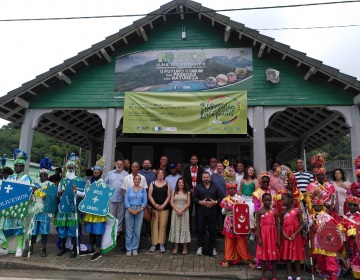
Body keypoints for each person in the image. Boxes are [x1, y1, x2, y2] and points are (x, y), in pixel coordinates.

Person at [0, 149, 33, 257]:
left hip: (20, 206)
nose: (18, 167)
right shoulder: (9, 178)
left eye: (20, 166)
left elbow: (29, 193)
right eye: (16, 165)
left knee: (19, 228)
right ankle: (4, 248)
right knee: (6, 227)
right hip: (9, 205)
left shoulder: (27, 178)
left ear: (23, 167)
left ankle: (19, 248)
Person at [219, 178, 255, 269]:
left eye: (234, 188)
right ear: (228, 189)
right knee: (229, 241)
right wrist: (225, 210)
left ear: (236, 189)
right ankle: (228, 259)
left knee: (242, 241)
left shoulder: (240, 198)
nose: (232, 190)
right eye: (230, 188)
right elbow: (222, 211)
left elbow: (244, 210)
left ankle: (246, 260)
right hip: (229, 222)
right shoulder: (225, 199)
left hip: (239, 222)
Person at [307, 186, 341, 280]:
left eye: (319, 206)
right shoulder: (310, 217)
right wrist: (309, 223)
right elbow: (308, 228)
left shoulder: (327, 216)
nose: (317, 207)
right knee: (321, 259)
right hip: (318, 241)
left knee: (331, 259)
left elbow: (337, 227)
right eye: (315, 206)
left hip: (329, 240)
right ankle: (326, 276)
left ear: (322, 206)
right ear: (313, 206)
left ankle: (333, 276)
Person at [54, 153, 84, 258]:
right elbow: (58, 194)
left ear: (75, 168)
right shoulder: (62, 181)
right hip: (63, 208)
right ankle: (62, 247)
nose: (70, 169)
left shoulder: (79, 180)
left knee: (73, 228)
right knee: (62, 228)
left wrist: (76, 192)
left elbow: (84, 194)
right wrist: (59, 194)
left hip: (73, 208)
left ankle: (74, 248)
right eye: (69, 167)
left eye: (72, 167)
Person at [23, 157, 54, 258]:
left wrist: (47, 196)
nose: (42, 176)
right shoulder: (35, 183)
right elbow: (30, 196)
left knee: (44, 230)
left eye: (44, 175)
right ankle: (30, 248)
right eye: (41, 175)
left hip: (45, 209)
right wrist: (32, 191)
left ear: (47, 175)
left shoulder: (50, 184)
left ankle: (44, 248)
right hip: (36, 209)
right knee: (33, 229)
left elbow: (53, 197)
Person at [193, 172, 223, 256]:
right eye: (204, 177)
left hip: (212, 212)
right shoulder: (198, 187)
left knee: (213, 230)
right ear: (202, 178)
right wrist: (201, 202)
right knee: (200, 230)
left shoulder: (215, 187)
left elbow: (220, 197)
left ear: (210, 178)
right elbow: (194, 198)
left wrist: (215, 202)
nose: (206, 179)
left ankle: (213, 248)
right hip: (201, 212)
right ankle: (200, 247)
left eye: (207, 177)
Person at [280, 193, 305, 280]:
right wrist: (283, 233)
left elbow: (302, 225)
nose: (282, 201)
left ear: (290, 199)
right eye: (281, 200)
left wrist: (295, 234)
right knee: (287, 256)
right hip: (286, 235)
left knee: (296, 256)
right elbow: (280, 225)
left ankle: (298, 276)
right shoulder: (282, 212)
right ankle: (289, 275)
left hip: (296, 235)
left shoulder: (297, 211)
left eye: (284, 199)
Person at [256, 193, 280, 280]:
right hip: (263, 235)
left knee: (274, 256)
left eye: (269, 200)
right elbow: (258, 225)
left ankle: (274, 275)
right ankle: (264, 276)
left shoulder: (274, 212)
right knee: (263, 256)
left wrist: (278, 239)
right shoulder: (259, 212)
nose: (268, 202)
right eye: (266, 200)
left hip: (272, 235)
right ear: (262, 201)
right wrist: (258, 237)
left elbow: (278, 225)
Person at [148, 169, 170, 253]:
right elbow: (149, 195)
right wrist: (154, 204)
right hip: (154, 208)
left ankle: (161, 244)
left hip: (164, 208)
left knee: (163, 225)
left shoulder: (167, 184)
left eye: (162, 173)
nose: (160, 174)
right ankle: (154, 244)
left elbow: (168, 196)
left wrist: (163, 205)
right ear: (156, 174)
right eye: (159, 173)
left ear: (164, 175)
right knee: (154, 225)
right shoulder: (152, 183)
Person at [124, 174, 147, 256]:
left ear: (140, 181)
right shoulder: (129, 190)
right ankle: (128, 249)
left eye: (138, 179)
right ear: (133, 180)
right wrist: (129, 209)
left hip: (139, 210)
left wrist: (140, 209)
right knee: (129, 231)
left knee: (137, 231)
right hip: (129, 209)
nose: (137, 180)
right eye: (135, 179)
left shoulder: (143, 190)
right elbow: (126, 200)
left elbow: (145, 201)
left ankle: (134, 248)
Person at [339, 193, 360, 279]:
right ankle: (353, 273)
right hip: (349, 242)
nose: (352, 206)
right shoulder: (345, 216)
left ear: (358, 206)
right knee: (351, 258)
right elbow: (340, 227)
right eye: (350, 204)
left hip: (358, 243)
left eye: (354, 205)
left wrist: (354, 234)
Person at [105, 160, 129, 237]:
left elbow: (128, 186)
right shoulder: (110, 173)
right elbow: (106, 184)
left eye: (121, 164)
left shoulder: (126, 174)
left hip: (122, 198)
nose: (119, 165)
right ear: (115, 165)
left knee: (120, 215)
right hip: (111, 198)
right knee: (111, 215)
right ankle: (111, 230)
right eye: (118, 164)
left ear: (123, 165)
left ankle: (118, 230)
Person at [169, 177, 191, 255]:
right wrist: (177, 210)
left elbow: (188, 203)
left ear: (184, 184)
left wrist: (181, 210)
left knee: (184, 228)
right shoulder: (174, 192)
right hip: (175, 212)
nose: (181, 184)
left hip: (184, 212)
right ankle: (176, 247)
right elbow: (171, 202)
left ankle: (185, 248)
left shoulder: (187, 192)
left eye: (182, 182)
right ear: (177, 184)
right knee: (176, 228)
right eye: (179, 182)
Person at [183, 155, 204, 231]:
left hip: (199, 195)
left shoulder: (201, 170)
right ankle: (189, 230)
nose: (194, 160)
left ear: (197, 160)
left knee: (199, 213)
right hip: (189, 194)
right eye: (192, 159)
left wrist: (197, 189)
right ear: (190, 160)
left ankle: (199, 229)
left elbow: (203, 181)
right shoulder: (186, 169)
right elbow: (184, 181)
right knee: (188, 212)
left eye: (195, 159)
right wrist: (190, 189)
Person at [239, 165, 258, 241]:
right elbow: (240, 190)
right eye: (250, 170)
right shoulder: (242, 180)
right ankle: (245, 233)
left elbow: (257, 192)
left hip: (251, 199)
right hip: (243, 198)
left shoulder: (255, 180)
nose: (251, 171)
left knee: (250, 214)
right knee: (242, 215)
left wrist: (256, 201)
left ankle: (253, 231)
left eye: (252, 170)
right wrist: (239, 200)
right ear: (247, 171)